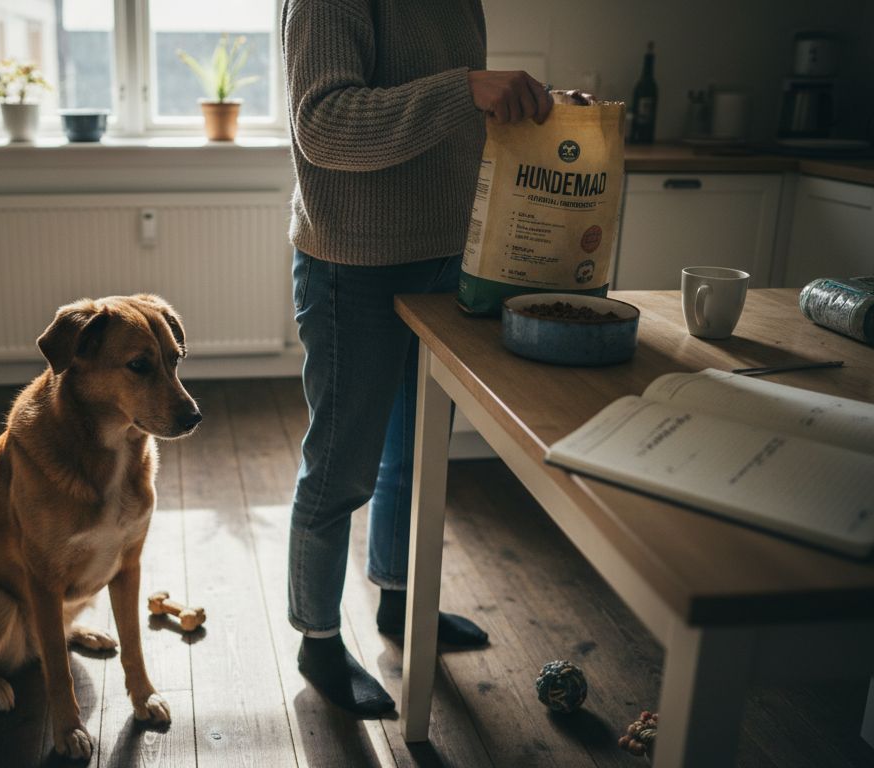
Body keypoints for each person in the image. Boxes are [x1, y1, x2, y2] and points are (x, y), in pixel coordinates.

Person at [282, 0, 556, 717]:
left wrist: (531, 107)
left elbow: (459, 120)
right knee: (340, 464)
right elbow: (323, 125)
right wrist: (466, 88)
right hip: (353, 260)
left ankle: (402, 601)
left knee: (417, 452)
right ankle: (317, 640)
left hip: (446, 253)